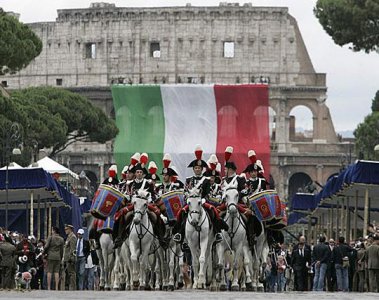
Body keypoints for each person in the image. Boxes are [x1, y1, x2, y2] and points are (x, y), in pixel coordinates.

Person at [173, 146, 228, 244]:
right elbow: (185, 192)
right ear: (193, 169)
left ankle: (217, 233)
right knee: (181, 213)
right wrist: (188, 200)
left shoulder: (206, 180)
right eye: (196, 168)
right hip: (191, 203)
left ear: (202, 169)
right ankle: (179, 234)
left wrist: (204, 199)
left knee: (214, 212)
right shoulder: (188, 180)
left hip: (203, 202)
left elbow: (208, 193)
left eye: (199, 168)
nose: (197, 169)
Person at [44, 226, 64, 290]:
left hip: (50, 256)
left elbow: (46, 246)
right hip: (57, 257)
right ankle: (56, 287)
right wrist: (60, 257)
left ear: (54, 231)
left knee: (49, 271)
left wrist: (44, 253)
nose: (51, 231)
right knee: (56, 272)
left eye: (52, 230)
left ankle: (49, 287)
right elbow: (62, 250)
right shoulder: (61, 239)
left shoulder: (50, 238)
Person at [63, 224, 77, 290]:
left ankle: (73, 287)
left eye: (66, 229)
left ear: (70, 229)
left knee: (72, 273)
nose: (65, 230)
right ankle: (67, 287)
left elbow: (73, 249)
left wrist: (72, 258)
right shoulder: (68, 237)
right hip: (66, 258)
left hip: (70, 258)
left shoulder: (73, 237)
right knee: (68, 274)